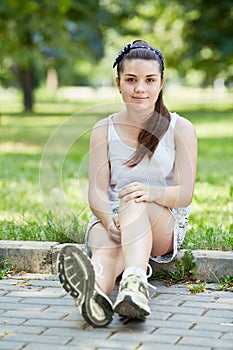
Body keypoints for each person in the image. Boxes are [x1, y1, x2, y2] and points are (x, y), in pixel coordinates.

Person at [57, 39, 197, 327]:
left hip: (162, 221)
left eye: (149, 80)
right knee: (105, 256)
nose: (140, 88)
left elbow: (184, 194)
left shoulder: (180, 128)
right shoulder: (102, 129)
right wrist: (108, 220)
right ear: (118, 83)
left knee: (132, 198)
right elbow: (96, 191)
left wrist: (149, 192)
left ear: (161, 83)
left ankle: (135, 282)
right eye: (131, 80)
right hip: (112, 218)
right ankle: (94, 295)